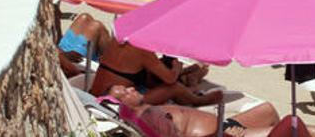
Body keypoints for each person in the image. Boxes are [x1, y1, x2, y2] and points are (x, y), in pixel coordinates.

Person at [109, 85, 315, 137]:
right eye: (125, 93)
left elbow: (177, 92)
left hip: (222, 124)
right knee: (292, 126)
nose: (131, 89)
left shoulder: (150, 103)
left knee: (268, 108)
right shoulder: (145, 119)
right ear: (123, 105)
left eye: (129, 87)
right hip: (221, 135)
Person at [90, 42, 221, 107]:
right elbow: (170, 79)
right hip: (118, 102)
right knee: (174, 87)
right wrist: (177, 67)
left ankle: (191, 80)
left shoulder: (117, 41)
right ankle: (197, 100)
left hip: (96, 93)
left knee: (156, 73)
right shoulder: (141, 49)